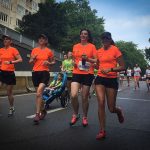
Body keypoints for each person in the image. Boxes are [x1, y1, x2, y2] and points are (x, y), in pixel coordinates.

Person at [95, 32, 125, 140]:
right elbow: (98, 64)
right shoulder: (98, 51)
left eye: (107, 38)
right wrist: (95, 65)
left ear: (110, 39)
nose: (105, 40)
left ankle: (119, 111)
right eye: (103, 38)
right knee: (101, 102)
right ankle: (102, 130)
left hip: (111, 79)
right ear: (101, 40)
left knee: (111, 108)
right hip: (100, 78)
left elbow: (122, 67)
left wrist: (110, 69)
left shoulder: (115, 50)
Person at [70, 29, 97, 127]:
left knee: (84, 97)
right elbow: (74, 58)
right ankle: (75, 114)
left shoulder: (92, 47)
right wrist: (74, 63)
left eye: (85, 34)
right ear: (80, 35)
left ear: (88, 36)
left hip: (88, 73)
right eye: (82, 34)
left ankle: (85, 117)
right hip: (77, 72)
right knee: (73, 95)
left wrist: (88, 59)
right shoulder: (75, 46)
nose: (83, 35)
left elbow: (96, 60)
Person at [29, 34, 55, 124]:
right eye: (39, 38)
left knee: (39, 92)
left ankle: (37, 114)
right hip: (35, 73)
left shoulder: (49, 51)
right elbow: (30, 61)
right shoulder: (34, 50)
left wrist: (48, 62)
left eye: (43, 38)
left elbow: (53, 62)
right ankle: (43, 109)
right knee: (38, 95)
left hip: (45, 73)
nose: (41, 39)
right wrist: (33, 58)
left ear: (46, 41)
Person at [0, 35, 22, 116]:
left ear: (10, 41)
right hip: (2, 72)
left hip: (10, 73)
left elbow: (20, 59)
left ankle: (11, 107)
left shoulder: (13, 50)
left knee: (9, 92)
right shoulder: (1, 50)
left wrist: (10, 62)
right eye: (4, 39)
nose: (5, 40)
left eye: (7, 39)